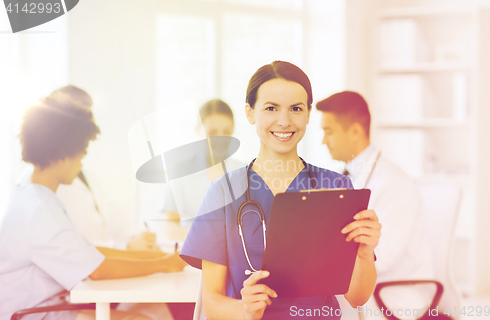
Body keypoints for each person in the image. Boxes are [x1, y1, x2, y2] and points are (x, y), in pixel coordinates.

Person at [179, 61, 382, 320]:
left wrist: (364, 253)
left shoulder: (336, 187)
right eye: (271, 108)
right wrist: (245, 308)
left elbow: (357, 297)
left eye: (296, 109)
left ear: (308, 114)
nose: (284, 121)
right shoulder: (223, 193)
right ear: (250, 113)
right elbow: (211, 301)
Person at [0, 98, 186, 320]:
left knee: (153, 308)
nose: (81, 163)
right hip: (34, 313)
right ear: (62, 155)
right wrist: (165, 264)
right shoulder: (40, 209)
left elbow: (89, 253)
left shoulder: (32, 197)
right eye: (81, 153)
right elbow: (97, 270)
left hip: (48, 306)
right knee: (142, 318)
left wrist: (154, 257)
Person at [316, 91, 434, 318]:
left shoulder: (393, 183)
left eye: (328, 131)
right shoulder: (344, 177)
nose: (323, 141)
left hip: (395, 292)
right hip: (367, 284)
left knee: (327, 300)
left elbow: (383, 258)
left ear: (355, 132)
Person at [17, 85, 159, 251]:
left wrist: (137, 237)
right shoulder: (37, 185)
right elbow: (70, 250)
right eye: (79, 113)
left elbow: (109, 216)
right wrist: (126, 247)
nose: (89, 119)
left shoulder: (85, 175)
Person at [161, 99, 244, 236]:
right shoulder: (180, 171)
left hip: (234, 254)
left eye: (227, 131)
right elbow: (170, 226)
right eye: (212, 132)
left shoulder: (246, 172)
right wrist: (203, 240)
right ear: (198, 130)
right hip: (192, 251)